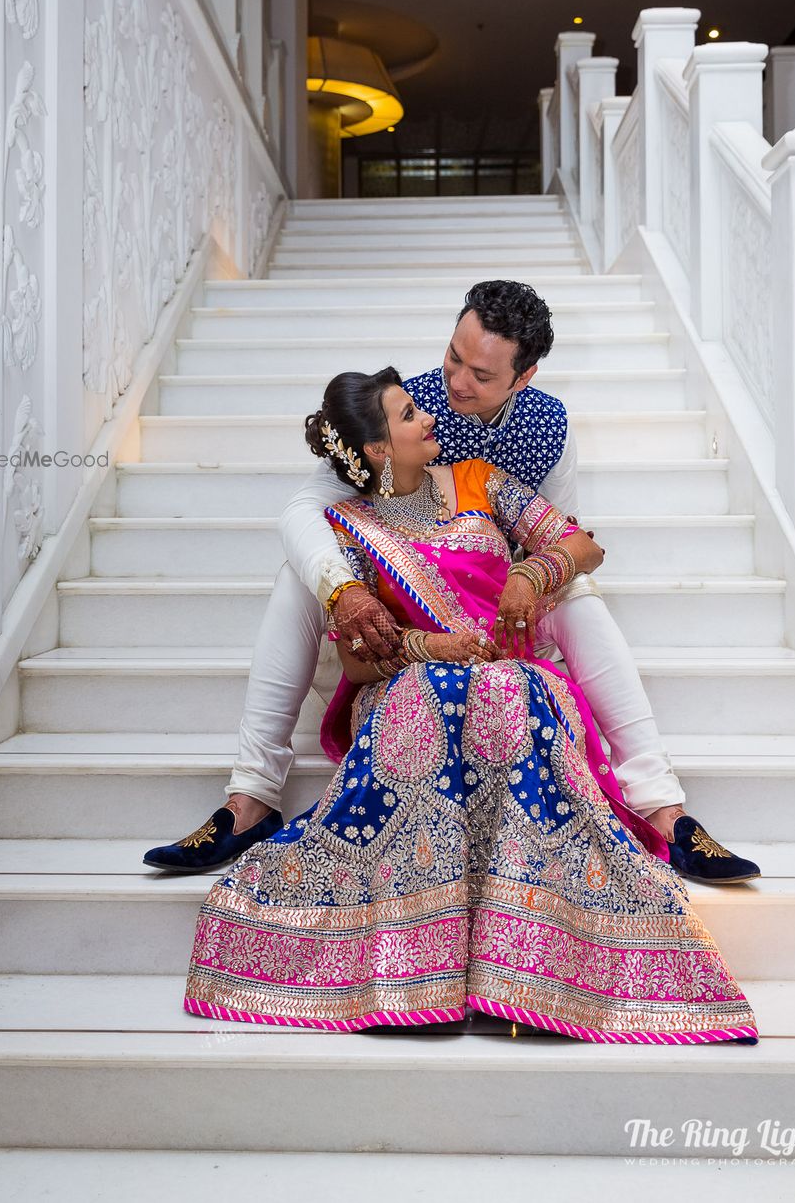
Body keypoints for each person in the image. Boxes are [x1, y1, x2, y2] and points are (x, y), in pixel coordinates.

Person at [182, 369, 758, 1042]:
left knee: (511, 692)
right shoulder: (350, 527)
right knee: (429, 697)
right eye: (406, 416)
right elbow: (361, 660)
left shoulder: (479, 479)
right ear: (374, 451)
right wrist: (433, 649)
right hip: (411, 685)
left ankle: (534, 959)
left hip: (509, 669)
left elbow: (582, 543)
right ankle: (404, 962)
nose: (427, 416)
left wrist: (529, 570)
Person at [145, 280, 759, 885]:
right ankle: (250, 798)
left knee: (575, 593)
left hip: (499, 607)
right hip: (395, 623)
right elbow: (307, 514)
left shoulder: (543, 432)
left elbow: (569, 538)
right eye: (452, 357)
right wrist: (351, 594)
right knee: (299, 573)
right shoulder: (391, 414)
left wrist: (529, 571)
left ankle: (664, 809)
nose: (453, 385)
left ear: (525, 376)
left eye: (481, 375)